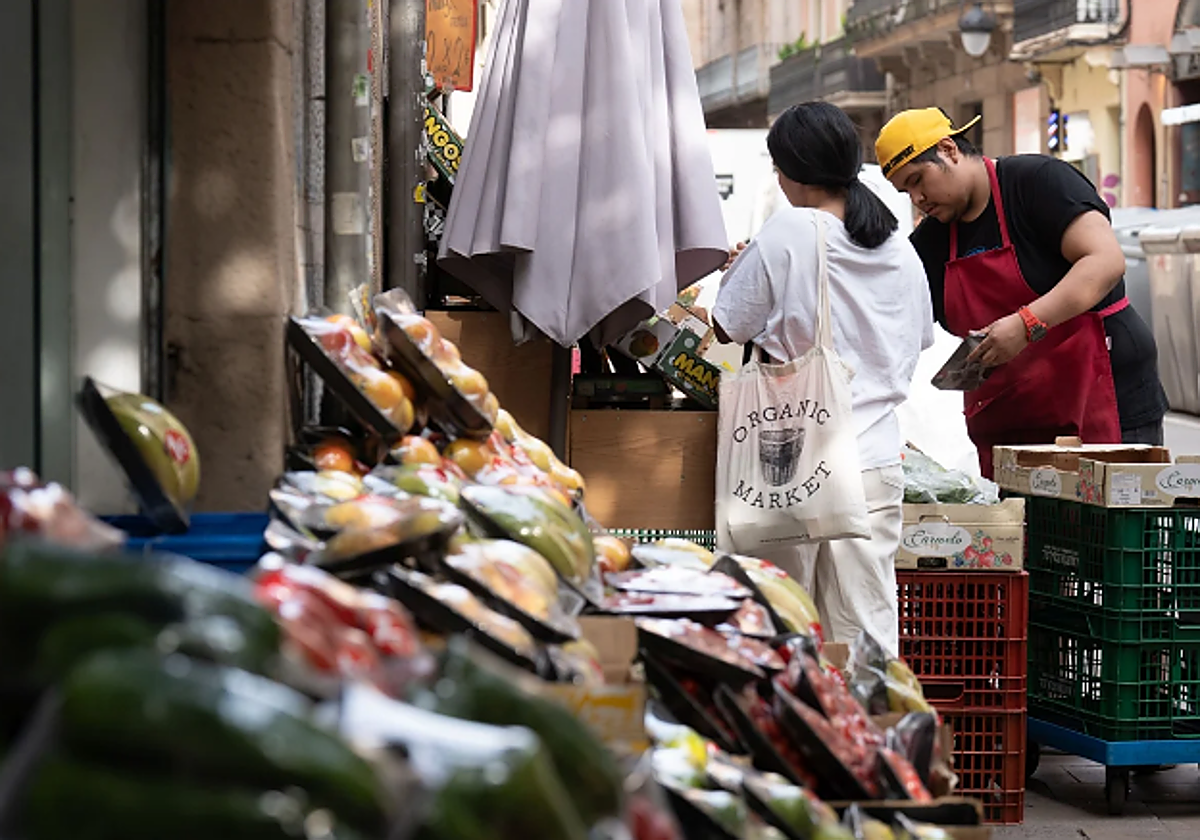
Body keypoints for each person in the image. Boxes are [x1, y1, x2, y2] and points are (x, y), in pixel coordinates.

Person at [712, 102, 934, 656]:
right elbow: (919, 339)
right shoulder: (898, 246)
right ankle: (875, 734)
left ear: (795, 170)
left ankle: (790, 737)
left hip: (794, 458)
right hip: (876, 464)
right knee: (866, 632)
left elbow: (727, 322)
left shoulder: (789, 229)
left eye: (778, 167)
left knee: (782, 625)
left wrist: (748, 270)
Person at [876, 108, 1168, 478]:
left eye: (919, 179)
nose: (917, 198)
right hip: (1013, 412)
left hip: (1104, 391)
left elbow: (1105, 261)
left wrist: (1026, 324)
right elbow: (896, 324)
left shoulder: (1037, 183)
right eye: (906, 190)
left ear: (949, 150)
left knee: (1106, 526)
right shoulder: (930, 243)